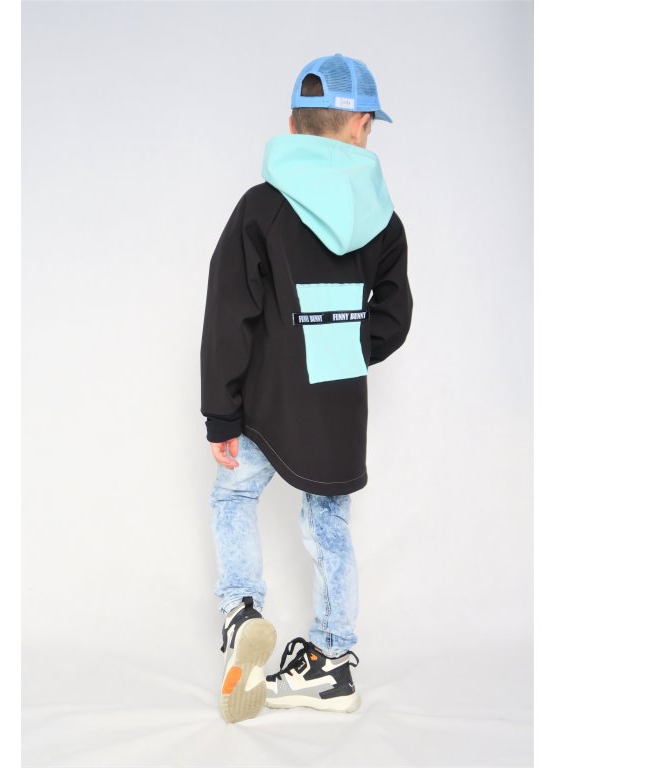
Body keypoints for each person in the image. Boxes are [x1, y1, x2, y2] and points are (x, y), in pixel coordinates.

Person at [200, 52, 413, 724]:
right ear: (361, 127)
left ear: (292, 125)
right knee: (329, 523)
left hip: (266, 403)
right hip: (337, 406)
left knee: (235, 494)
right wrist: (343, 350)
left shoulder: (261, 207)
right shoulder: (383, 218)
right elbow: (394, 315)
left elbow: (228, 313)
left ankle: (241, 609)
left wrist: (221, 414)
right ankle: (331, 660)